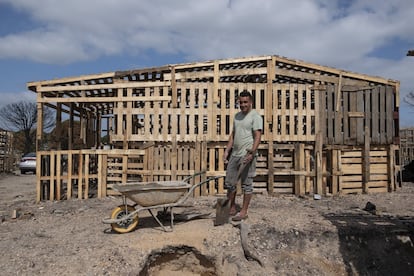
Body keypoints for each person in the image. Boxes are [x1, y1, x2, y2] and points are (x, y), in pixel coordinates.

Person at [223, 90, 263, 221]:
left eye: (246, 102)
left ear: (250, 102)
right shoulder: (237, 116)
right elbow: (233, 135)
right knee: (230, 183)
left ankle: (244, 211)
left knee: (247, 184)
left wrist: (252, 151)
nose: (243, 104)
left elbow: (258, 136)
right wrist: (227, 151)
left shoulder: (255, 117)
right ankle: (232, 207)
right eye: (241, 102)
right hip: (235, 154)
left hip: (247, 155)